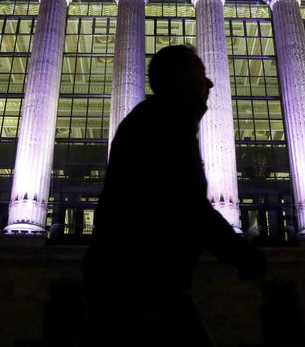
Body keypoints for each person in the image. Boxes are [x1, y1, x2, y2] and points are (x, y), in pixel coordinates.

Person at [82, 45, 267, 346]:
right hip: (141, 284)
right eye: (200, 74)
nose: (209, 84)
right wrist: (241, 254)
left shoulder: (158, 119)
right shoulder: (162, 122)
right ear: (179, 78)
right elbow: (185, 205)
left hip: (135, 281)